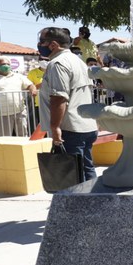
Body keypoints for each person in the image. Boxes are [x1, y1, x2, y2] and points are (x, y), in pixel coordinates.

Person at [37, 27, 99, 180]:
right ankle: (95, 201)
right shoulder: (78, 61)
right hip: (86, 125)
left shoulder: (58, 64)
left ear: (53, 45)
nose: (39, 45)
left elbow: (59, 98)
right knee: (85, 168)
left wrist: (55, 127)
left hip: (70, 128)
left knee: (73, 177)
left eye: (41, 42)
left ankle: (80, 203)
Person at [0, 56, 36, 137]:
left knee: (23, 135)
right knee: (5, 137)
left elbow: (30, 85)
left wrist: (33, 90)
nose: (6, 66)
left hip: (19, 111)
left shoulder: (18, 76)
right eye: (3, 64)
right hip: (2, 113)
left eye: (8, 64)